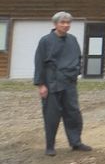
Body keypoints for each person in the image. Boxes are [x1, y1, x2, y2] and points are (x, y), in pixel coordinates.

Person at [33, 11, 92, 156]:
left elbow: (79, 58)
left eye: (68, 23)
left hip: (69, 83)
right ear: (55, 24)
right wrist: (41, 85)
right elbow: (39, 63)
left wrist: (77, 72)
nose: (66, 25)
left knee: (73, 114)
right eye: (63, 22)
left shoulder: (72, 40)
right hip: (51, 83)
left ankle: (76, 142)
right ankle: (50, 146)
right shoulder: (45, 41)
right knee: (51, 116)